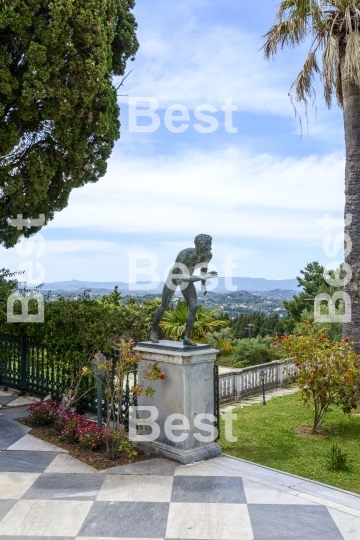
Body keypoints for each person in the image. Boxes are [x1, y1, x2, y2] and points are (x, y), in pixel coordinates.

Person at [150, 234, 217, 346]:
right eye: (207, 245)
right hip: (175, 277)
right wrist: (202, 278)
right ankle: (154, 331)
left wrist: (203, 283)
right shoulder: (185, 254)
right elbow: (183, 277)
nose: (210, 248)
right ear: (200, 245)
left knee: (194, 307)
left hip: (187, 279)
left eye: (210, 245)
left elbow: (204, 267)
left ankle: (186, 337)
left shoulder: (207, 255)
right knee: (164, 305)